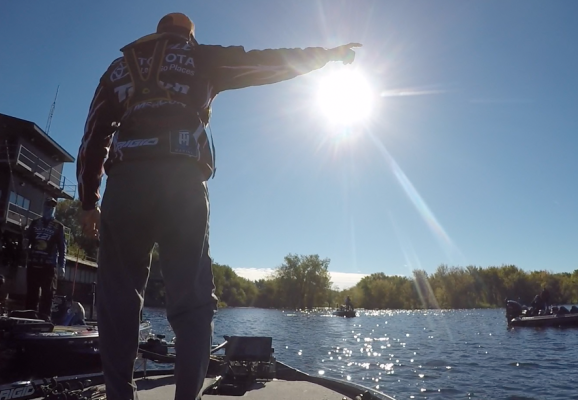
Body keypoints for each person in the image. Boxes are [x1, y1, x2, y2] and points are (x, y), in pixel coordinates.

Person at [76, 12, 361, 400]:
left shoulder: (118, 67)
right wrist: (327, 55)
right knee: (192, 303)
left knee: (118, 303)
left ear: (157, 34)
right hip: (182, 185)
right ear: (189, 35)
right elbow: (268, 62)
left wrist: (88, 202)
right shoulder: (201, 57)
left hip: (125, 186)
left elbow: (94, 135)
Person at [25, 197, 67, 320]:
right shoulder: (34, 223)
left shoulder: (59, 227)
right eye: (48, 206)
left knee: (48, 293)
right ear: (43, 207)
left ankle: (44, 318)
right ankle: (29, 317)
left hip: (49, 266)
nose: (50, 208)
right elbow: (27, 240)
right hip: (33, 263)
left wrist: (62, 265)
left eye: (52, 207)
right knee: (31, 292)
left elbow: (62, 247)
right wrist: (24, 242)